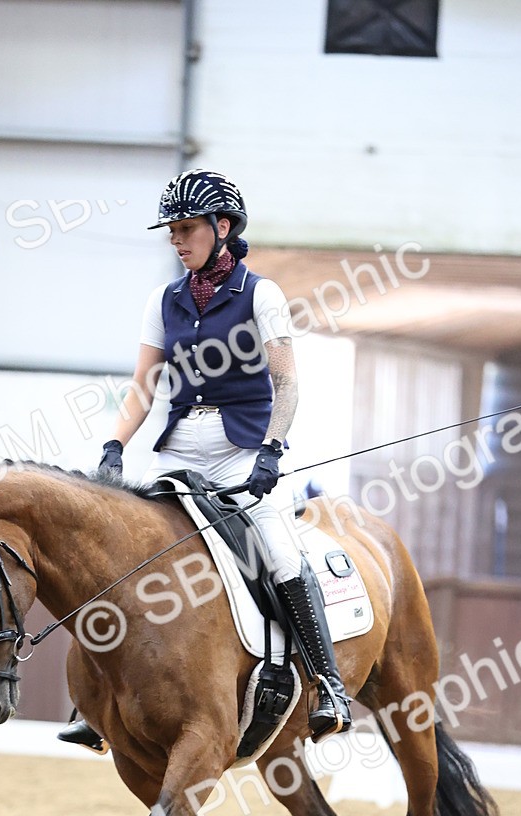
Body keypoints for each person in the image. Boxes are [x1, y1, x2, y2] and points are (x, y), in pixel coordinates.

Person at [59, 169, 351, 750]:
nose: (177, 239)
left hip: (243, 450)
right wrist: (115, 445)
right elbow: (144, 387)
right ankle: (93, 703)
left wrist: (272, 449)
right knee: (121, 553)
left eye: (187, 229)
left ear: (222, 228)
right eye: (172, 231)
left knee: (279, 554)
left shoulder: (260, 295)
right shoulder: (163, 301)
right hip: (178, 449)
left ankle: (328, 684)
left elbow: (287, 383)